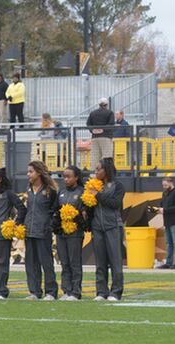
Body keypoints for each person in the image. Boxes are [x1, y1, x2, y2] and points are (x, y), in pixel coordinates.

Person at [0, 168, 26, 299]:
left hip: (2, 234)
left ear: (0, 179)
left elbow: (22, 208)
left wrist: (15, 224)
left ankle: (2, 290)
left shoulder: (8, 194)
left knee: (2, 262)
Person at [24, 160, 59, 300]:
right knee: (31, 263)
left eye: (31, 172)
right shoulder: (28, 190)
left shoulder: (50, 190)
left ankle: (50, 292)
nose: (28, 174)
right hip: (29, 231)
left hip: (43, 231)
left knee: (46, 262)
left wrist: (48, 225)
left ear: (38, 173)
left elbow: (54, 210)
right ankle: (34, 292)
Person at [91, 158, 125, 301]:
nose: (96, 172)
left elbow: (115, 204)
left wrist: (97, 195)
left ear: (106, 170)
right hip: (97, 227)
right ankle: (101, 291)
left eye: (99, 169)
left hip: (113, 226)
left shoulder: (117, 185)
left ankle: (116, 292)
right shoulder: (93, 185)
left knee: (115, 261)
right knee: (100, 262)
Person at [55, 165, 86, 300]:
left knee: (74, 262)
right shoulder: (61, 192)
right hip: (61, 232)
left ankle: (76, 291)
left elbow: (85, 213)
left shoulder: (82, 192)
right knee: (64, 262)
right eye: (64, 177)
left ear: (76, 178)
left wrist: (77, 217)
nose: (66, 179)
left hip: (75, 232)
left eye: (69, 177)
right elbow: (56, 209)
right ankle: (66, 290)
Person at [157, 177, 175, 269]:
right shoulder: (164, 193)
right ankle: (168, 262)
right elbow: (162, 205)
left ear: (171, 183)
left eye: (166, 185)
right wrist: (158, 209)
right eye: (163, 185)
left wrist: (164, 210)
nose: (164, 187)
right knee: (168, 243)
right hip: (167, 221)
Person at [87, 98, 116, 164]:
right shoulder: (110, 112)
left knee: (95, 157)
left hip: (95, 137)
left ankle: (94, 173)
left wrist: (92, 130)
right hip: (106, 137)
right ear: (107, 105)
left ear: (99, 105)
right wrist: (102, 129)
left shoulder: (92, 113)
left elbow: (88, 124)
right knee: (107, 157)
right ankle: (106, 173)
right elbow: (111, 124)